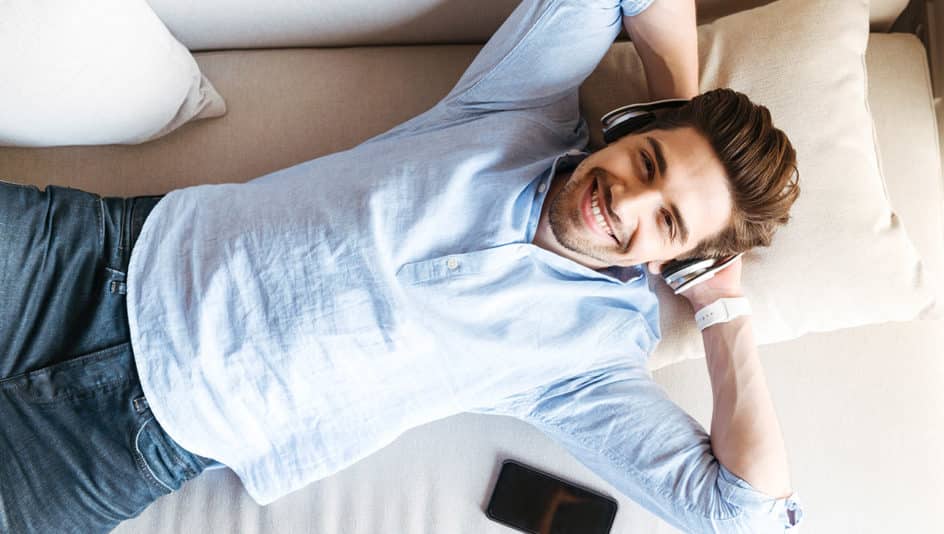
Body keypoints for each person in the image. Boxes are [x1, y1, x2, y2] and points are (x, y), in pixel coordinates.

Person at [0, 0, 804, 532]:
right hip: (86, 260)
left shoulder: (588, 365)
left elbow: (743, 513)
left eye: (665, 219)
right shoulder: (518, 112)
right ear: (632, 128)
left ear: (678, 255)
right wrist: (682, 104)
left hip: (119, 447)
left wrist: (719, 304)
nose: (625, 200)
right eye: (651, 159)